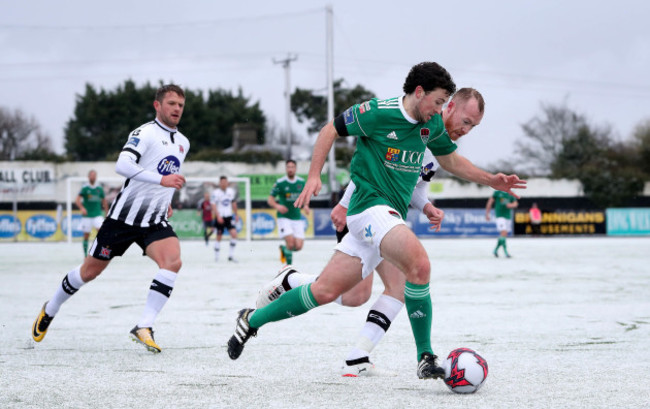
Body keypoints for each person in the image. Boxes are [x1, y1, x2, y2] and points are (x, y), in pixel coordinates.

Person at [227, 62, 525, 381]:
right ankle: (425, 356)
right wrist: (314, 176)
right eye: (439, 103)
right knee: (419, 266)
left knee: (330, 292)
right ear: (420, 92)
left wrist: (489, 180)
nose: (441, 112)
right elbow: (331, 129)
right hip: (369, 208)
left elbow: (451, 161)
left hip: (385, 216)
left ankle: (252, 320)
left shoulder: (432, 126)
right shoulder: (378, 113)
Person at [256, 88, 486, 376]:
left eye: (473, 127)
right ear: (449, 106)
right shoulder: (415, 124)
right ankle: (296, 285)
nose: (466, 131)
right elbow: (370, 169)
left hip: (388, 217)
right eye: (465, 122)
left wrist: (427, 207)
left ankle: (354, 353)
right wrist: (342, 203)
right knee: (370, 289)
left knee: (361, 295)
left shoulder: (438, 143)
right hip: (365, 209)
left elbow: (417, 187)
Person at [31, 84, 190, 353]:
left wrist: (166, 201)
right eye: (172, 103)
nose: (177, 109)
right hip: (122, 219)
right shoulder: (145, 133)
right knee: (88, 273)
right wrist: (162, 179)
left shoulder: (184, 142)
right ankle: (51, 307)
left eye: (180, 105)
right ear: (157, 105)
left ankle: (144, 326)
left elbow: (167, 176)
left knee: (173, 261)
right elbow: (123, 165)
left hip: (153, 220)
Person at [267, 159, 310, 265]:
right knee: (290, 244)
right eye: (288, 167)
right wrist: (277, 206)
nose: (290, 169)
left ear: (295, 169)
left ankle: (283, 248)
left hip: (296, 217)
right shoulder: (280, 183)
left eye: (292, 167)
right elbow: (270, 200)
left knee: (298, 247)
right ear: (286, 169)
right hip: (284, 217)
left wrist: (306, 205)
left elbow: (305, 196)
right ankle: (288, 267)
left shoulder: (301, 182)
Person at [76, 169, 108, 255]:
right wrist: (82, 208)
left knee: (102, 233)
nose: (93, 177)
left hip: (97, 215)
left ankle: (101, 253)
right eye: (91, 175)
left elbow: (104, 201)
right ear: (88, 177)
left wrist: (106, 212)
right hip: (87, 216)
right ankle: (85, 255)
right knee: (86, 235)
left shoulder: (99, 188)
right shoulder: (85, 188)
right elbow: (77, 200)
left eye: (94, 175)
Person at [211, 176, 239, 262]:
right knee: (219, 236)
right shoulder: (215, 193)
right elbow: (213, 205)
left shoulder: (231, 191)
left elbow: (233, 203)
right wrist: (218, 216)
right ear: (219, 183)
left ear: (227, 183)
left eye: (225, 182)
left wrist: (236, 214)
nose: (223, 184)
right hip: (220, 217)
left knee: (234, 234)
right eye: (222, 182)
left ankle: (230, 256)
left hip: (229, 216)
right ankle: (217, 257)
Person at [486, 190, 518, 257]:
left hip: (508, 216)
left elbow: (515, 203)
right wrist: (487, 213)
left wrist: (511, 205)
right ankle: (506, 253)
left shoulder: (511, 193)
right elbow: (490, 202)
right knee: (503, 233)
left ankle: (495, 250)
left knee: (503, 235)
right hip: (499, 216)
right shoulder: (497, 192)